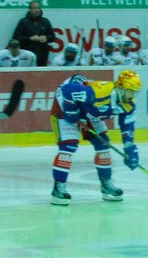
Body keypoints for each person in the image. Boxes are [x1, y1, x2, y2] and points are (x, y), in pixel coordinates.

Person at [50, 71, 142, 205]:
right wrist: (70, 110)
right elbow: (67, 89)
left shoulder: (129, 104)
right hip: (64, 105)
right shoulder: (98, 94)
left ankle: (106, 185)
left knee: (103, 145)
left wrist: (130, 148)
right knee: (68, 147)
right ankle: (58, 189)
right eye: (131, 91)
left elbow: (127, 126)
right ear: (121, 87)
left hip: (89, 110)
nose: (133, 96)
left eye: (136, 92)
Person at [11, 1, 55, 66]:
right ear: (30, 10)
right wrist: (29, 38)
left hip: (42, 54)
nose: (37, 10)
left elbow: (53, 37)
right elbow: (15, 37)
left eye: (38, 8)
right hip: (26, 54)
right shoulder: (23, 22)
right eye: (34, 8)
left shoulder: (45, 21)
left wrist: (46, 38)